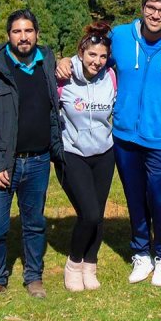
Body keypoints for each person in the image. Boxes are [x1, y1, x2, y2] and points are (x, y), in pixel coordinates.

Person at [57, 0, 161, 286]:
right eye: (151, 7)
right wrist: (63, 62)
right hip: (124, 137)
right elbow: (92, 58)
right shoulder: (121, 37)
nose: (156, 14)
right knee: (135, 199)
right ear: (143, 7)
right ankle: (141, 254)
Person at [0, 9, 63, 301]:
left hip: (38, 161)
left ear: (37, 33)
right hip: (4, 162)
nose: (23, 37)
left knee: (34, 223)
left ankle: (33, 277)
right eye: (16, 31)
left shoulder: (46, 60)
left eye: (28, 31)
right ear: (8, 35)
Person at [56, 22, 117, 292]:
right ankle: (74, 263)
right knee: (89, 213)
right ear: (81, 53)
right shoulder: (63, 77)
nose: (97, 61)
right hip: (73, 153)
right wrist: (59, 61)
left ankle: (90, 264)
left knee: (98, 213)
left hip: (104, 153)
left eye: (103, 56)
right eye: (92, 55)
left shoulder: (111, 77)